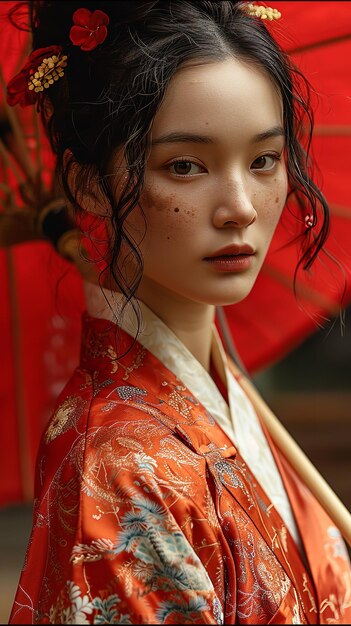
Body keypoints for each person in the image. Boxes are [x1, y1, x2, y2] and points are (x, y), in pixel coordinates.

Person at [6, 1, 351, 623]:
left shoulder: (226, 398)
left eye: (264, 159)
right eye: (185, 166)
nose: (241, 208)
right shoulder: (116, 465)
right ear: (88, 185)